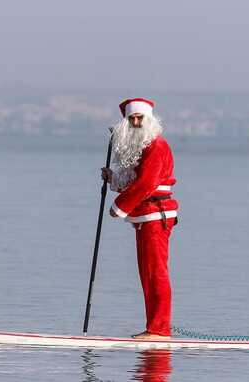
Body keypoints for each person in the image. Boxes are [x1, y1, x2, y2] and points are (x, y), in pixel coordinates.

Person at [101, 98, 178, 340]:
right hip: (146, 216)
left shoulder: (156, 146)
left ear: (149, 120)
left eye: (139, 118)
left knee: (155, 272)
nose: (135, 122)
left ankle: (159, 330)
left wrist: (119, 206)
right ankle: (156, 328)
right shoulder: (144, 148)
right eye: (131, 119)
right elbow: (136, 179)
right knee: (147, 273)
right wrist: (113, 178)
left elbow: (147, 183)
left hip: (157, 215)